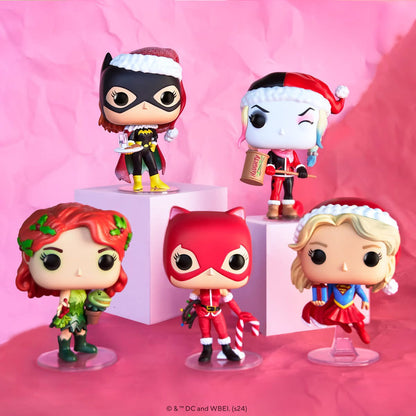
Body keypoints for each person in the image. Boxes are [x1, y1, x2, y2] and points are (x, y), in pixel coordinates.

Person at [16, 202, 132, 361]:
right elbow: (64, 300)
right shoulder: (67, 290)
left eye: (104, 261)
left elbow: (91, 298)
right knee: (66, 330)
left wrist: (94, 304)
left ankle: (81, 344)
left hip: (80, 312)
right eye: (52, 261)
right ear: (27, 257)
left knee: (81, 329)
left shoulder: (84, 290)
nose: (79, 272)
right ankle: (64, 349)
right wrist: (63, 310)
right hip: (68, 313)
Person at [290, 198, 400, 343]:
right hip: (336, 304)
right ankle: (344, 326)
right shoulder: (330, 283)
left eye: (371, 257)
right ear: (301, 255)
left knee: (356, 320)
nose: (344, 267)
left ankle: (358, 329)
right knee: (330, 317)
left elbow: (359, 291)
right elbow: (328, 291)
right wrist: (321, 300)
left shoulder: (354, 285)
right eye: (318, 256)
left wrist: (365, 300)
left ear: (389, 260)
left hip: (348, 305)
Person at [239, 72, 348, 219]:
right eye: (260, 119)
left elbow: (296, 162)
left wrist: (301, 169)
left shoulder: (291, 154)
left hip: (289, 174)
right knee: (275, 190)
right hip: (277, 174)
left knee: (289, 190)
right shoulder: (273, 153)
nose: (282, 131)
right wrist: (269, 167)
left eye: (304, 121)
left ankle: (288, 207)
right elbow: (269, 161)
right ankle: (273, 207)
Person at [99, 47, 186, 191]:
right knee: (137, 166)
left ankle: (155, 181)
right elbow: (130, 138)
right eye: (121, 98)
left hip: (148, 148)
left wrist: (153, 144)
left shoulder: (151, 129)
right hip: (136, 149)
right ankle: (137, 183)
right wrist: (130, 144)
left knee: (152, 165)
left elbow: (154, 137)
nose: (144, 106)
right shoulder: (132, 130)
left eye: (166, 98)